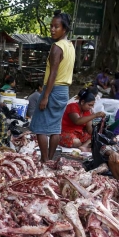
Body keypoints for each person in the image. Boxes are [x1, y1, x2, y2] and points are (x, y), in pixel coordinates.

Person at [30, 10, 75, 163]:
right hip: (64, 91)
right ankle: (50, 159)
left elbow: (53, 74)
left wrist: (46, 96)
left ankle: (44, 160)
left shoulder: (57, 47)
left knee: (40, 127)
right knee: (55, 128)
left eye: (56, 27)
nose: (52, 29)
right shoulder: (70, 46)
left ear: (65, 28)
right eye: (51, 26)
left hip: (53, 89)